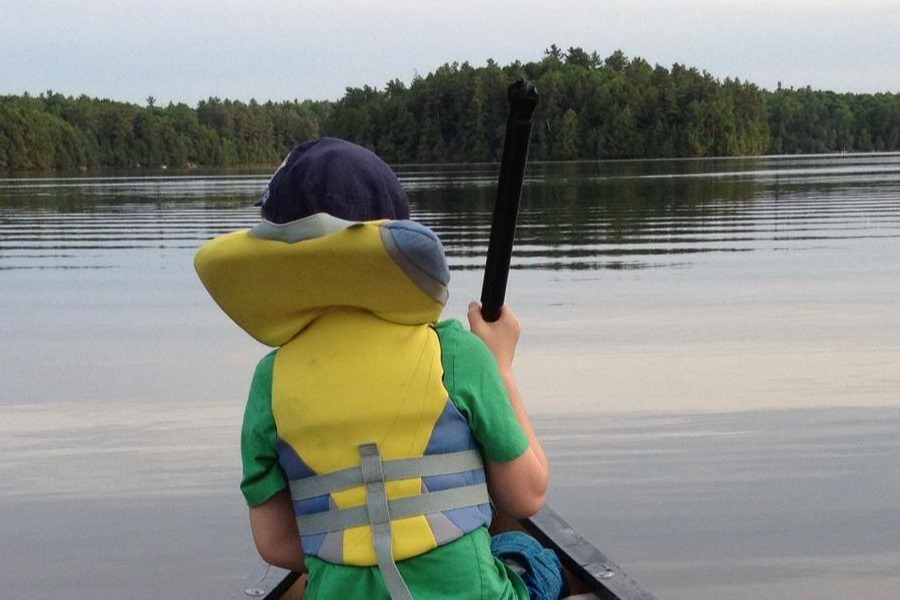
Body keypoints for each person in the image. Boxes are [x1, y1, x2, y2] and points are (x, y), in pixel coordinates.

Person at [194, 138, 563, 600]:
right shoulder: (453, 351)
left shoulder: (270, 380)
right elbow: (527, 497)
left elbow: (275, 543)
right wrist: (500, 366)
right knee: (533, 558)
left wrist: (352, 552)